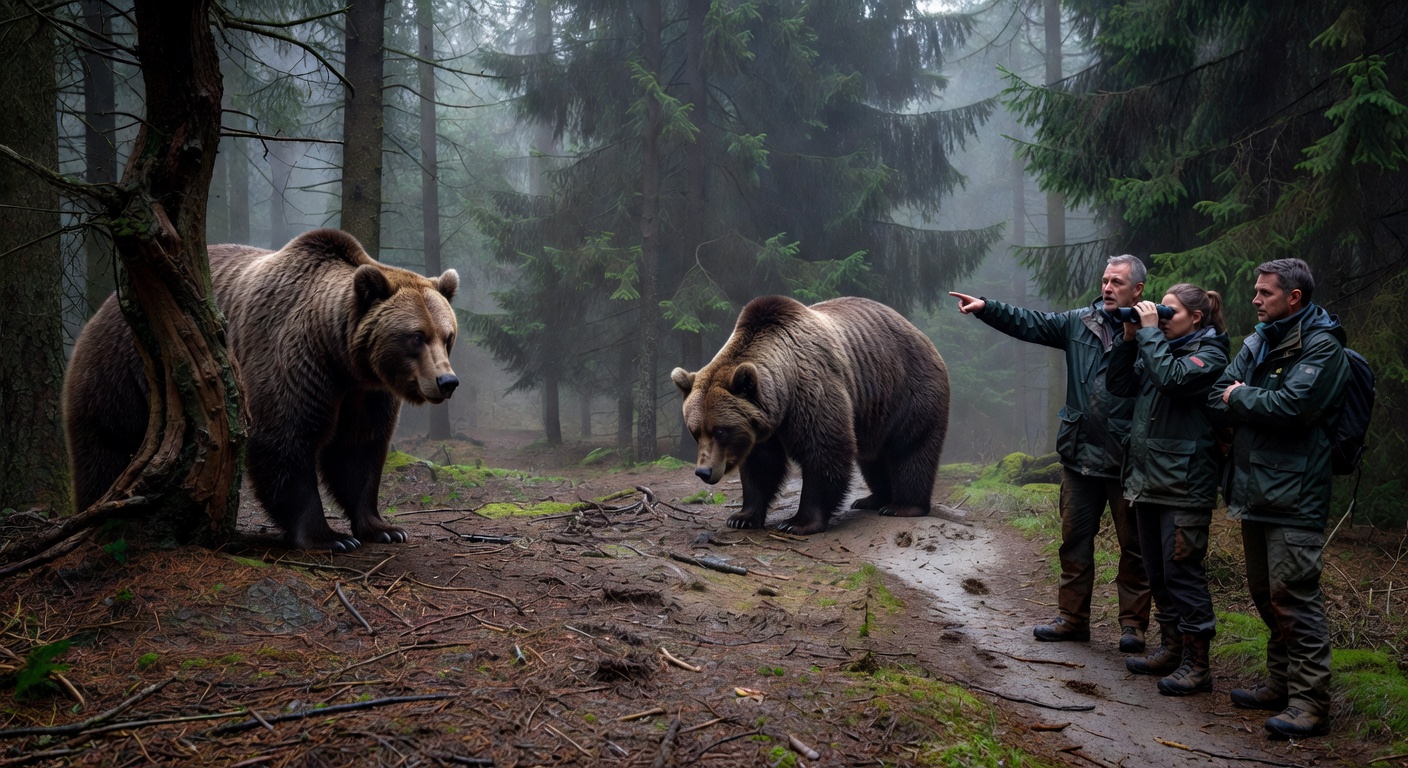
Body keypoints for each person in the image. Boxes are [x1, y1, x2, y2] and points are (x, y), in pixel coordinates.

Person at [950, 255, 1151, 652]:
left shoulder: (1151, 330)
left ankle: (1133, 627)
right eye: (1105, 280)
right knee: (1074, 542)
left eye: (1117, 282)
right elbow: (1031, 322)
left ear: (1138, 290)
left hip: (1127, 460)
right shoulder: (1078, 322)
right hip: (1079, 457)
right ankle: (1073, 620)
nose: (1107, 288)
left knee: (1134, 549)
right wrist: (987, 308)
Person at [1208, 258, 1348, 738]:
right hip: (1253, 488)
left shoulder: (1323, 347)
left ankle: (1310, 705)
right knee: (1265, 594)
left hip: (1296, 496)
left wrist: (1240, 397)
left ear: (1294, 297)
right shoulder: (1258, 341)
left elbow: (1293, 406)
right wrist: (1240, 397)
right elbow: (1214, 396)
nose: (1254, 299)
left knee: (1295, 598)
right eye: (1255, 291)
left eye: (1265, 292)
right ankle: (1281, 684)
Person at [1107, 285, 1229, 697]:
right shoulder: (1158, 345)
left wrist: (1147, 334)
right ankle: (1171, 649)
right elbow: (1120, 385)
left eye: (1169, 312)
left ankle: (1198, 665)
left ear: (1197, 317)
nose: (1160, 318)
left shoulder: (1210, 355)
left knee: (1183, 575)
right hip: (1149, 480)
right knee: (1158, 574)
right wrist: (1129, 341)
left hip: (1184, 485)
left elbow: (1172, 379)